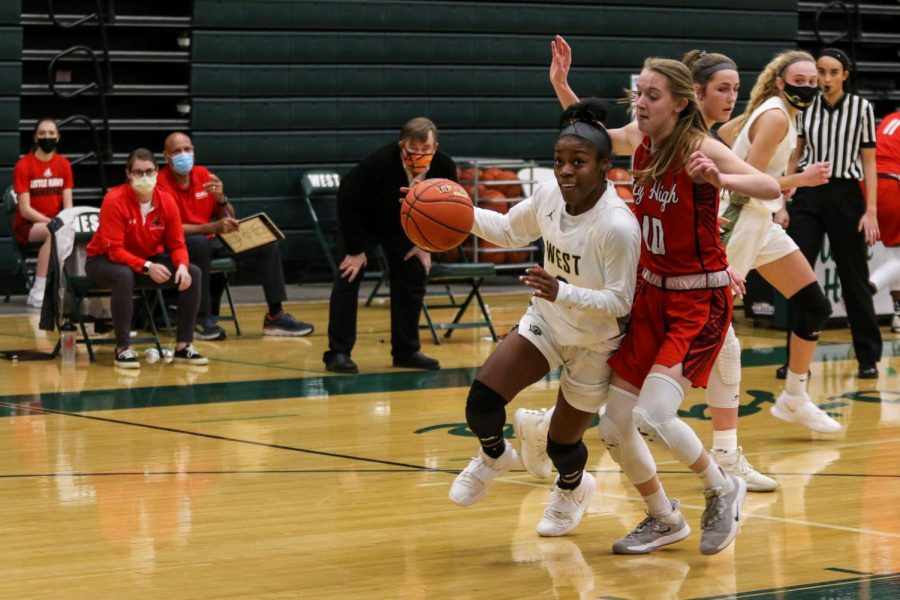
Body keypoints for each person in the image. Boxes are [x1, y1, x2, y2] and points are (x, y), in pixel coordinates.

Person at [544, 43, 780, 556]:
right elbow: (594, 136)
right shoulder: (641, 141)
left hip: (697, 301)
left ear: (679, 101)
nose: (641, 104)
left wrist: (722, 179)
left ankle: (722, 487)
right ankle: (663, 517)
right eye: (638, 95)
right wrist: (563, 84)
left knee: (654, 414)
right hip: (652, 297)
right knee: (613, 425)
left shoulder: (699, 145)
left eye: (651, 96)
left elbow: (767, 185)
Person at [448, 99, 640, 539]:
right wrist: (450, 211)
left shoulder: (617, 226)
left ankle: (573, 488)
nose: (566, 171)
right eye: (559, 162)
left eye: (579, 162)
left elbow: (620, 302)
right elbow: (507, 231)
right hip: (549, 322)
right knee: (481, 402)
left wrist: (562, 290)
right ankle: (494, 457)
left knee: (561, 445)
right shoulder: (549, 196)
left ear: (605, 167)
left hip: (596, 342)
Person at [715, 51, 839, 435]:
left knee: (814, 305)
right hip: (735, 221)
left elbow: (724, 138)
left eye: (812, 82)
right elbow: (749, 178)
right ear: (781, 82)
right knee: (703, 325)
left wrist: (778, 205)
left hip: (760, 221)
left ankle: (794, 398)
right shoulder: (774, 117)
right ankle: (626, 399)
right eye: (798, 81)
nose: (806, 87)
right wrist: (800, 180)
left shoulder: (778, 113)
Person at [322, 117, 455, 374]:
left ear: (435, 148)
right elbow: (347, 198)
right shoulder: (378, 163)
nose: (418, 156)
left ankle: (406, 350)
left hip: (405, 227)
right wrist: (355, 251)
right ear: (400, 145)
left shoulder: (444, 167)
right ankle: (338, 353)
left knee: (414, 271)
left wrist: (425, 245)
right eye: (412, 151)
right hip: (366, 222)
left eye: (425, 151)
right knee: (349, 275)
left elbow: (446, 211)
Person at [782, 48, 882, 379]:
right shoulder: (804, 107)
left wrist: (871, 211)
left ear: (844, 76)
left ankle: (868, 356)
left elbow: (869, 162)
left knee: (854, 278)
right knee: (799, 277)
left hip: (846, 194)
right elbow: (794, 157)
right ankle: (795, 361)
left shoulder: (862, 108)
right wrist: (782, 202)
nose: (825, 78)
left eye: (832, 72)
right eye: (821, 71)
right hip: (809, 193)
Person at [157, 132, 314, 341]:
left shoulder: (203, 175)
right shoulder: (160, 183)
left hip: (210, 239)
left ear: (193, 150)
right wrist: (212, 226)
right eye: (177, 151)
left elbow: (229, 215)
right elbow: (168, 229)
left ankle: (275, 315)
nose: (183, 154)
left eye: (187, 149)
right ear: (167, 156)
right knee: (200, 243)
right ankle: (200, 319)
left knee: (267, 241)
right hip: (179, 245)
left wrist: (221, 199)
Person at [85, 148, 207, 369]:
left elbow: (177, 244)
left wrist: (181, 266)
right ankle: (122, 349)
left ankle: (183, 346)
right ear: (128, 174)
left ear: (157, 172)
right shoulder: (114, 200)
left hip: (143, 262)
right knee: (123, 275)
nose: (145, 177)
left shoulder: (166, 201)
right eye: (139, 172)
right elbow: (115, 251)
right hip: (103, 263)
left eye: (149, 171)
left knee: (193, 274)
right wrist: (148, 266)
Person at [13, 117, 73, 308]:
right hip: (27, 225)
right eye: (42, 133)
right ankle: (38, 289)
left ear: (58, 137)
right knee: (52, 230)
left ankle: (69, 288)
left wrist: (65, 221)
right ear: (35, 138)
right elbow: (24, 209)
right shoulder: (24, 166)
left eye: (51, 133)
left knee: (70, 232)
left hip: (55, 222)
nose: (47, 137)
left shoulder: (63, 164)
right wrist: (51, 221)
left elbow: (68, 205)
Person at [866, 110, 900, 333]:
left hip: (871, 183)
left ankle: (898, 313)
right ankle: (863, 291)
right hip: (892, 183)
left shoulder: (890, 118)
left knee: (896, 254)